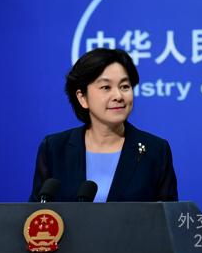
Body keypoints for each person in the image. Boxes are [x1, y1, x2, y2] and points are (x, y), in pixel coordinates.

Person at [29, 48, 178, 202]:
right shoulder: (54, 148)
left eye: (124, 86)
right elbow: (36, 216)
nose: (118, 96)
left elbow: (168, 218)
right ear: (82, 98)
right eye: (106, 87)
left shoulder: (155, 150)